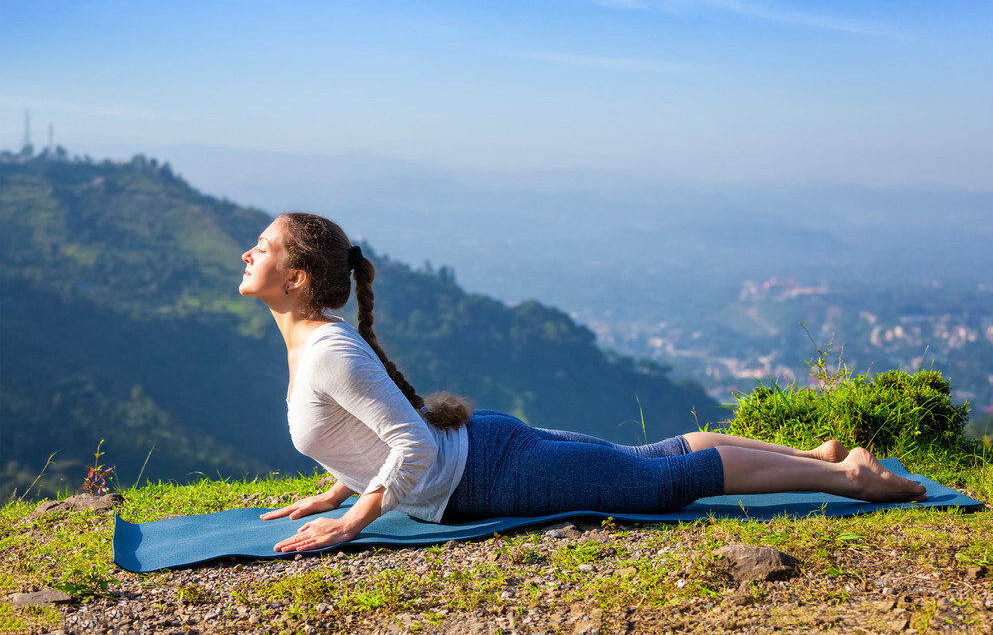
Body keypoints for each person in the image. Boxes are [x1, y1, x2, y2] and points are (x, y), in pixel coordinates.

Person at [241, 213, 927, 554]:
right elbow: (375, 428)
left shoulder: (327, 349)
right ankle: (817, 457)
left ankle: (851, 481)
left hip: (487, 475)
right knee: (649, 461)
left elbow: (410, 447)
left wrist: (352, 523)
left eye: (263, 248)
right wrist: (341, 482)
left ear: (296, 279)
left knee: (660, 483)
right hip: (484, 454)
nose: (248, 253)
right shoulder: (315, 342)